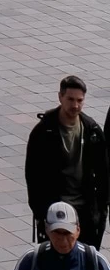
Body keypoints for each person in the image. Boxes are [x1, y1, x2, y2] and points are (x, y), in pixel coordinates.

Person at [25, 74, 109, 248]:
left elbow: (103, 173)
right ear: (60, 97)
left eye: (80, 100)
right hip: (55, 211)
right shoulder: (43, 132)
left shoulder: (92, 131)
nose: (75, 105)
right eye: (70, 99)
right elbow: (32, 174)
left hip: (85, 212)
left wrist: (101, 211)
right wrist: (41, 212)